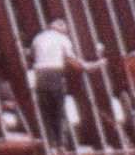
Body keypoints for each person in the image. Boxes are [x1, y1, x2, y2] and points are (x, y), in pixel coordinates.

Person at [29, 18, 107, 147]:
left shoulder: (38, 38)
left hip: (40, 76)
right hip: (54, 74)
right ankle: (59, 143)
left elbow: (34, 56)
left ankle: (49, 142)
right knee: (58, 109)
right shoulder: (62, 39)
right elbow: (73, 61)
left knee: (45, 110)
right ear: (61, 27)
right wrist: (94, 65)